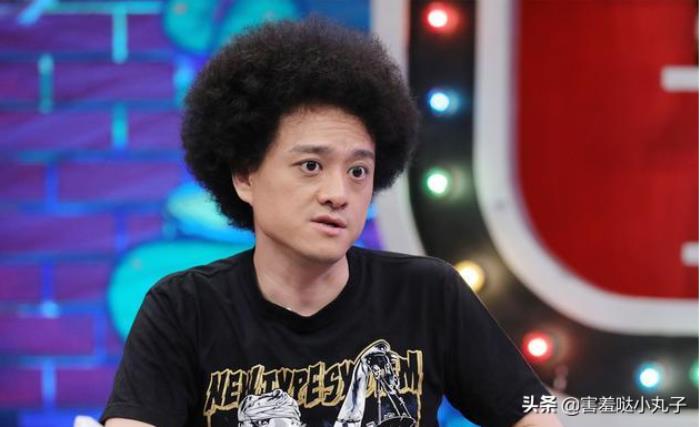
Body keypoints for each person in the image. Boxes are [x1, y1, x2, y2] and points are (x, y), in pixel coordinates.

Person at [101, 18, 562, 427]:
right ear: (245, 176)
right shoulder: (184, 309)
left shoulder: (427, 294)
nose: (338, 194)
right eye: (311, 166)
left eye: (358, 171)